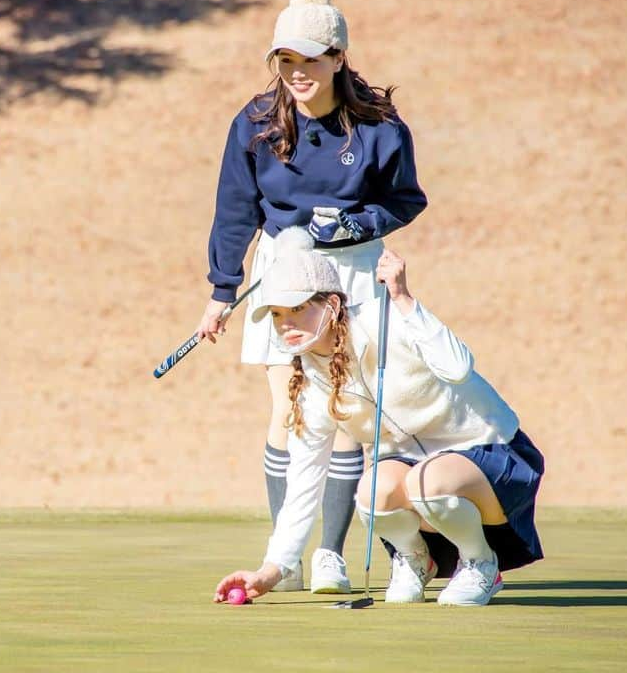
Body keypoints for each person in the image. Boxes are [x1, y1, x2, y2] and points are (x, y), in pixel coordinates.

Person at [195, 0, 428, 593]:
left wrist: (358, 220)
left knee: (346, 408)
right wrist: (222, 293)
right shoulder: (254, 122)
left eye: (310, 60)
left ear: (337, 58)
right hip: (283, 271)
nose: (297, 72)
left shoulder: (379, 125)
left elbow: (406, 200)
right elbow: (235, 210)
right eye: (286, 61)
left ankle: (329, 553)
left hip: (352, 269)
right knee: (289, 409)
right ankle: (285, 556)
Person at [212, 227, 544, 607]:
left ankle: (482, 563)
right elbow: (304, 479)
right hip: (419, 474)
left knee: (426, 481)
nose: (285, 323)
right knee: (373, 491)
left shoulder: (387, 317)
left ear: (333, 305)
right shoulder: (311, 382)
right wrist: (270, 571)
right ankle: (418, 558)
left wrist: (404, 299)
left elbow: (458, 367)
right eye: (276, 313)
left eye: (298, 309)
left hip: (491, 457)